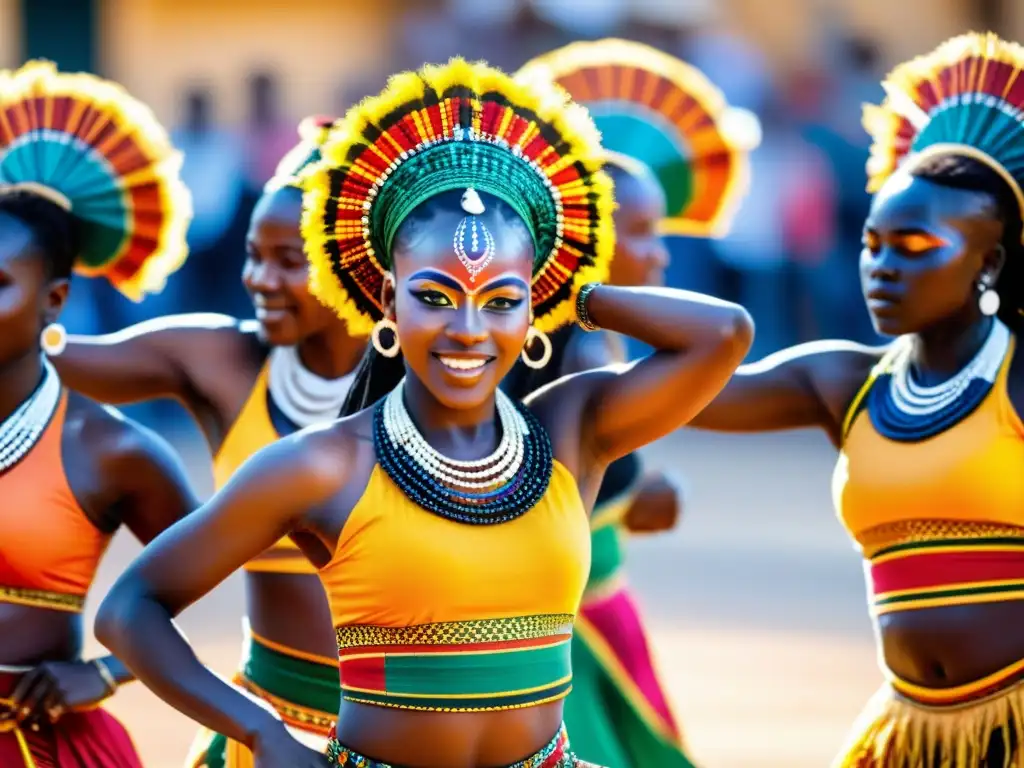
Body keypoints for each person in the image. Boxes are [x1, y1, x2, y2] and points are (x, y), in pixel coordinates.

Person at [92, 57, 753, 768]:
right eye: (435, 297)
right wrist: (263, 733)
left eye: (501, 301)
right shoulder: (323, 465)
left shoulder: (570, 431)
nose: (469, 329)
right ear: (386, 299)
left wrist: (569, 289)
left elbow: (723, 335)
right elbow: (130, 611)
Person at [687, 32, 1024, 766]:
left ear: (988, 262)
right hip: (905, 732)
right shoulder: (844, 381)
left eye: (916, 248)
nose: (881, 267)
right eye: (872, 243)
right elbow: (682, 391)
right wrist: (578, 293)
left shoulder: (1015, 378)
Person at [46, 115, 367, 766]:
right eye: (252, 254)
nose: (258, 279)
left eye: (287, 261)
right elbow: (44, 356)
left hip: (406, 736)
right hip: (264, 738)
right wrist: (33, 241)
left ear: (350, 266)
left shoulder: (430, 382)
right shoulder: (223, 362)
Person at [509, 38, 761, 768]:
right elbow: (555, 506)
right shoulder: (585, 354)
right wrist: (639, 498)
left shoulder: (583, 348)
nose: (661, 254)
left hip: (590, 617)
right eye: (646, 233)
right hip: (575, 633)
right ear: (593, 242)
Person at [0, 59, 199, 767]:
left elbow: (205, 573)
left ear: (54, 301)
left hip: (41, 750)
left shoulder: (110, 448)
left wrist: (110, 671)